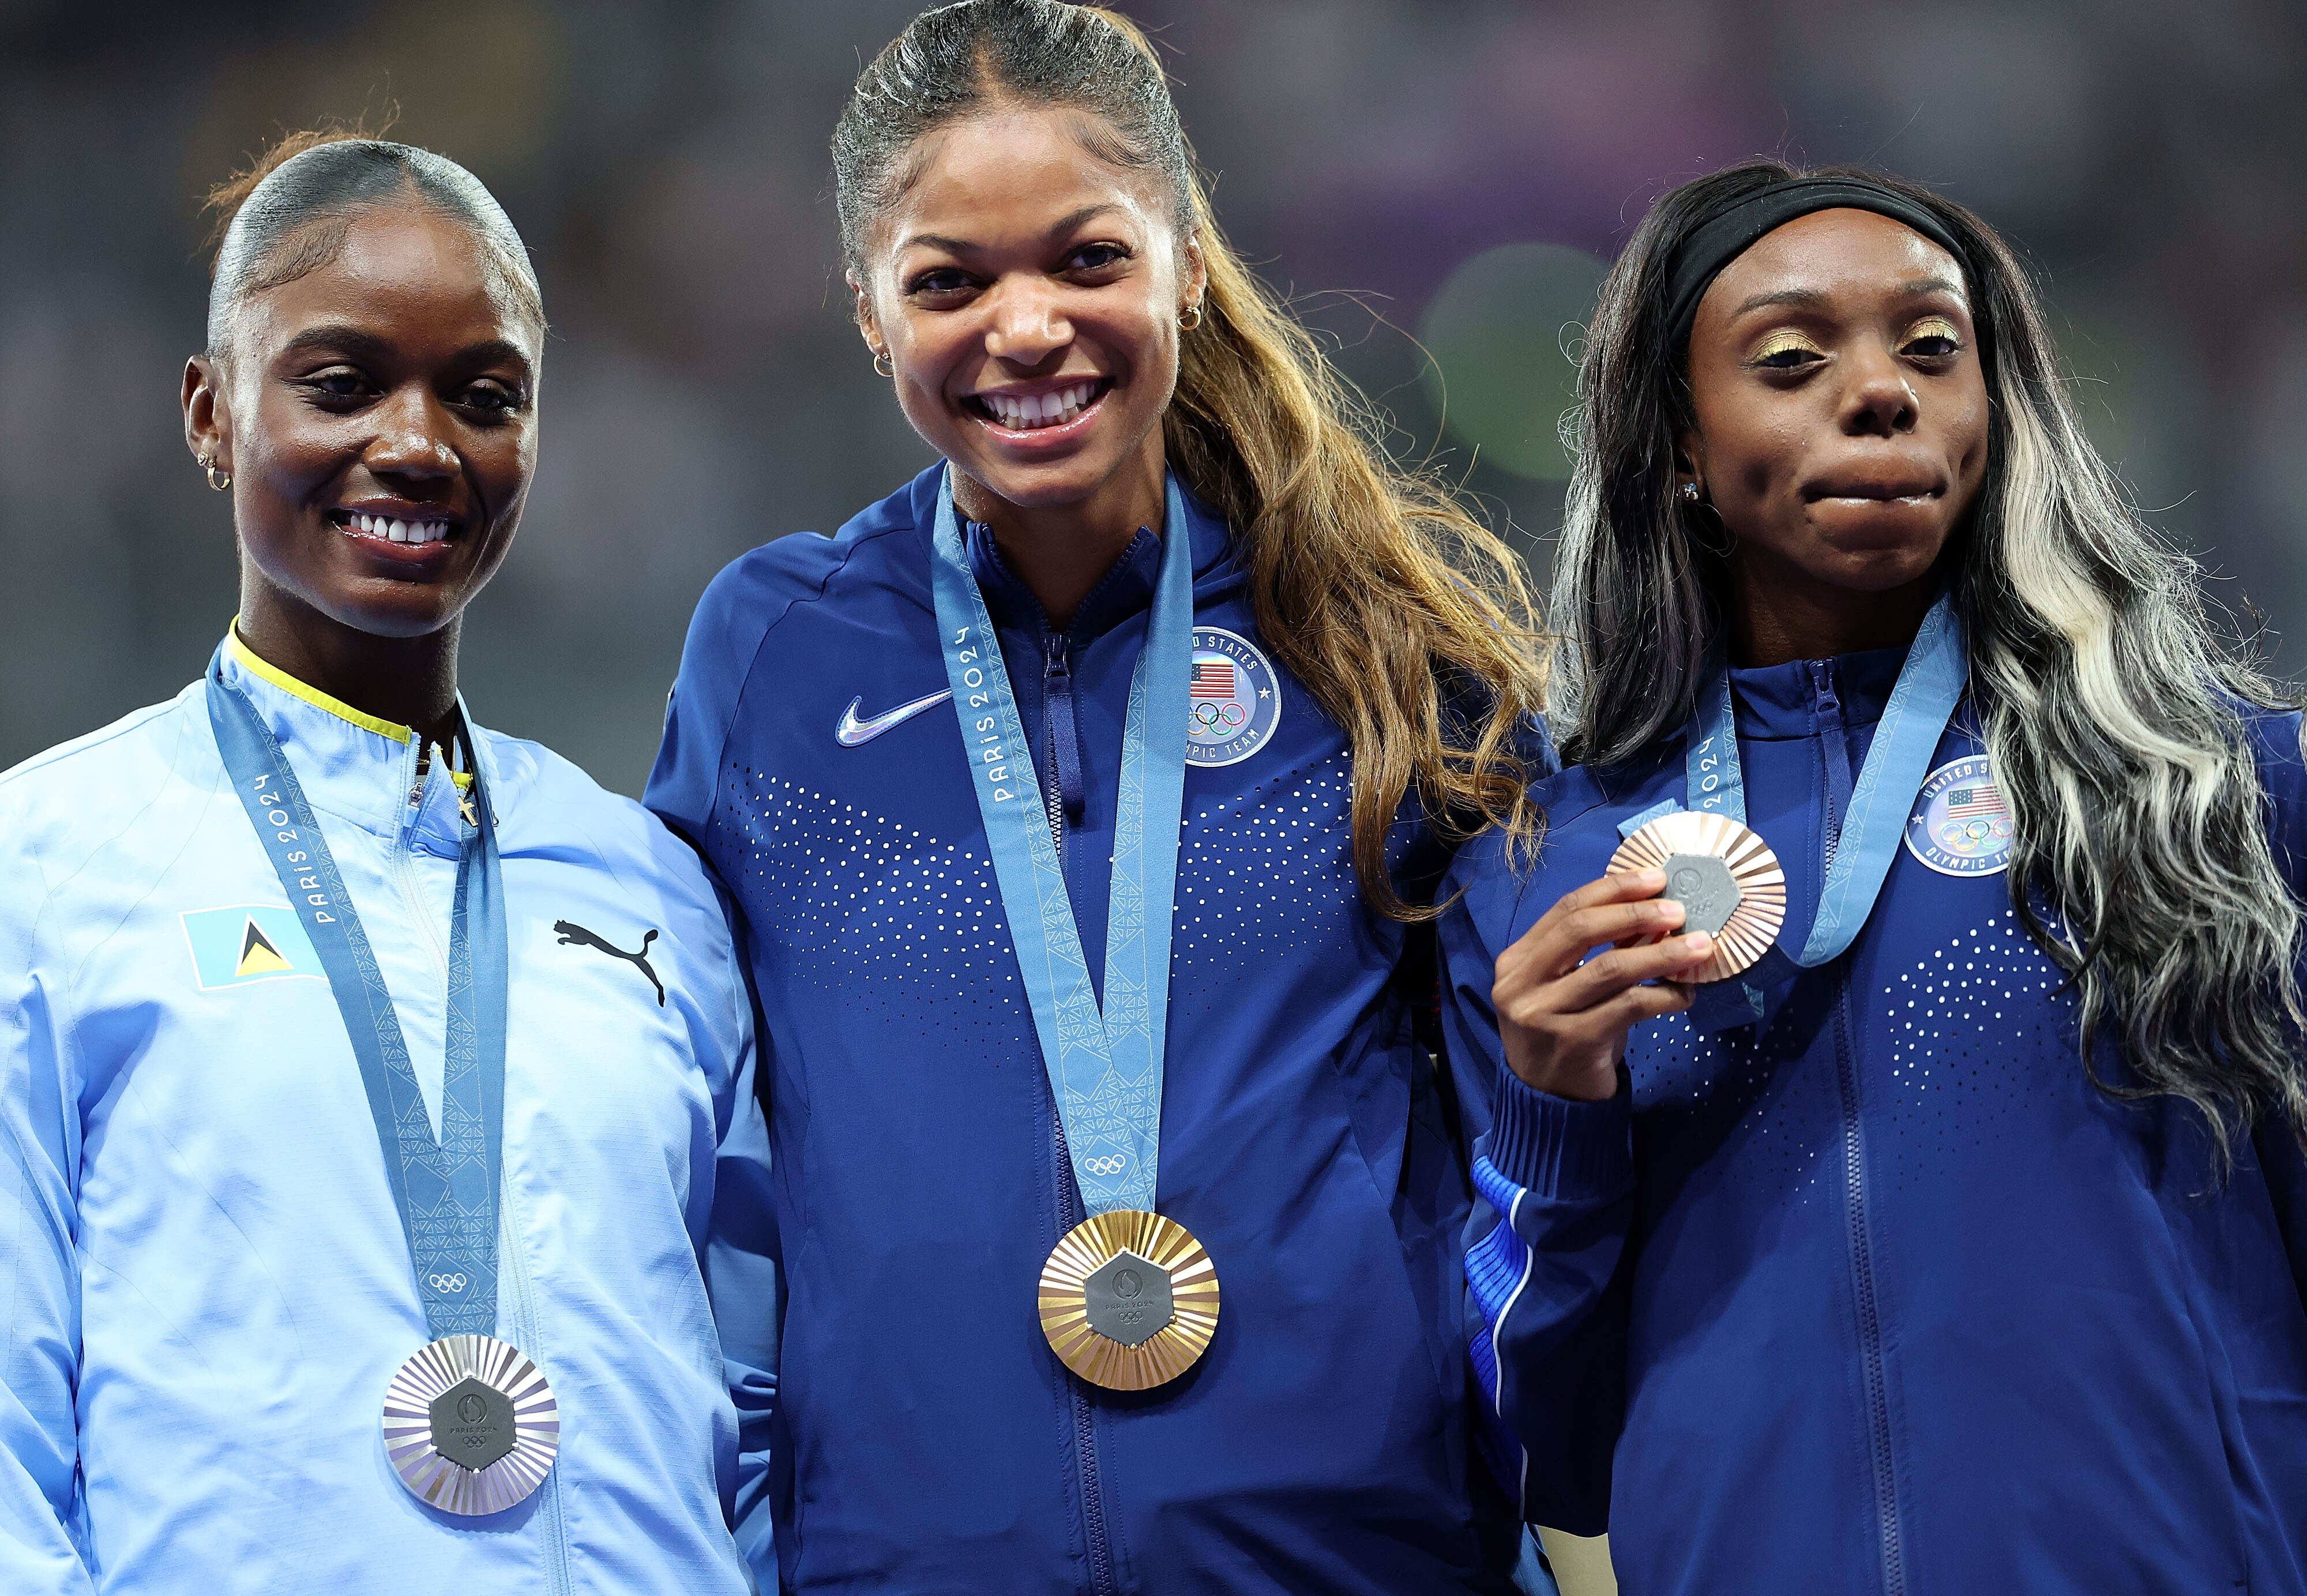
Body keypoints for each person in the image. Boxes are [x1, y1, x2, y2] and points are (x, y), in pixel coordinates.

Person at [647, 2, 1555, 1590]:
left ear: (1186, 263)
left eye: (1086, 258)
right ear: (868, 312)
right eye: (950, 281)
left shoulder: (1380, 652)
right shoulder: (774, 653)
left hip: (1347, 1560)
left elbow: (1538, 1151)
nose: (1025, 327)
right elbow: (686, 1145)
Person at [1442, 159, 2307, 1594]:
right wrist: (1547, 1120)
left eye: (1928, 349)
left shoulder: (2207, 789)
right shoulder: (1539, 863)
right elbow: (1546, 1450)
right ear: (1672, 441)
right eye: (1789, 360)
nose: (1879, 391)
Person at [0, 130, 768, 1593]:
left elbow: (758, 1390)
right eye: (342, 384)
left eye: (485, 396)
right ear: (211, 411)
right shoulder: (41, 866)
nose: (418, 443)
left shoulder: (647, 885)